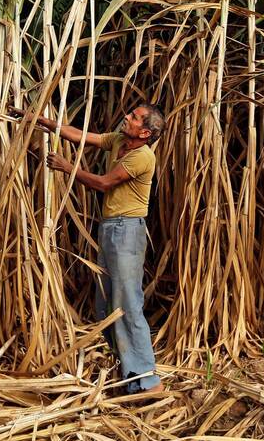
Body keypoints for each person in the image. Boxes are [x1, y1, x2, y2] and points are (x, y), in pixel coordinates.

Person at [10, 102, 165, 395]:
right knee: (105, 305)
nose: (126, 117)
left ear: (145, 132)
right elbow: (81, 136)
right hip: (112, 229)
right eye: (129, 112)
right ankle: (129, 375)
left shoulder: (142, 157)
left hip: (127, 231)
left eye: (133, 117)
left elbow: (105, 183)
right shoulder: (119, 140)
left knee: (128, 305)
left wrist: (67, 168)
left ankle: (148, 380)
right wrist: (41, 120)